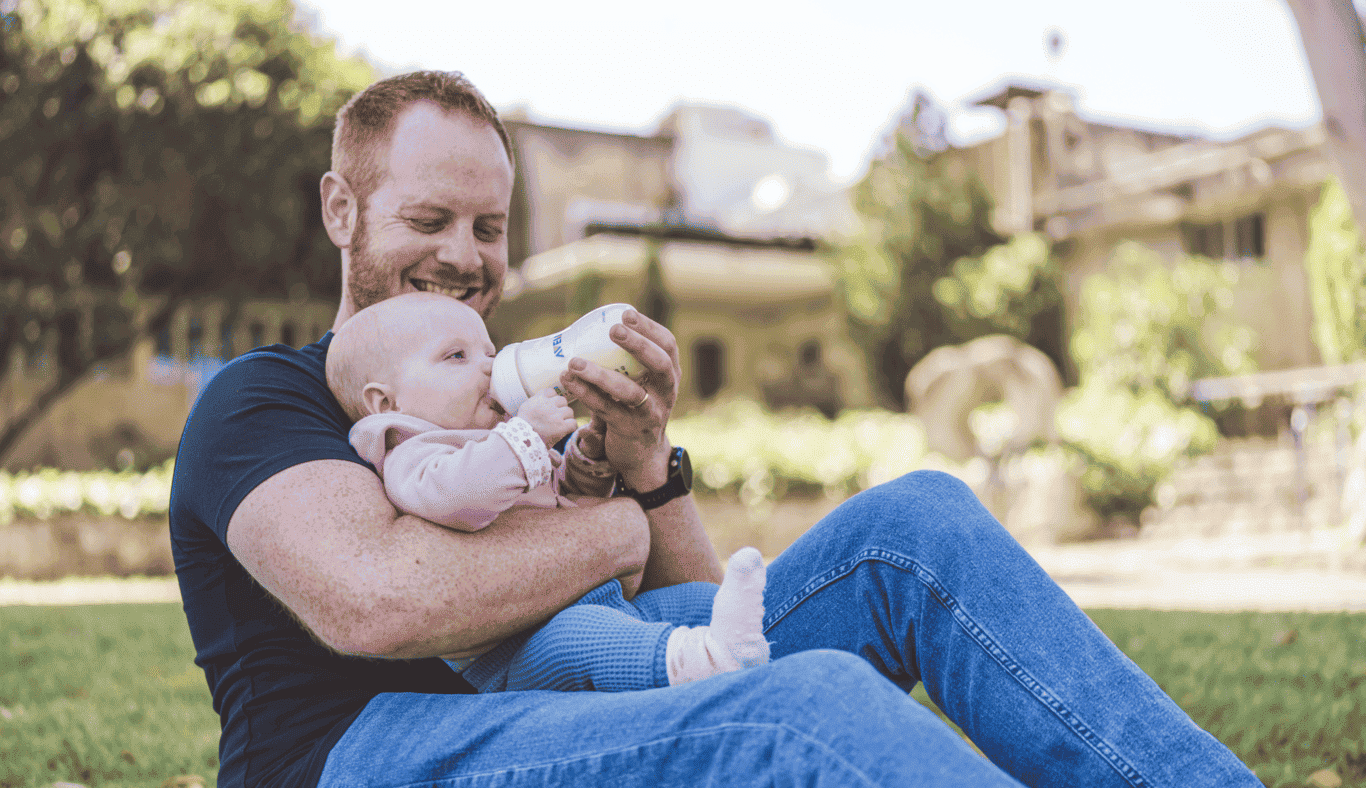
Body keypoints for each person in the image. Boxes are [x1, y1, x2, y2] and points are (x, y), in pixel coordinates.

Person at [169, 70, 1262, 788]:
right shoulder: (263, 398)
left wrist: (647, 470)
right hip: (367, 753)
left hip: (576, 696)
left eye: (489, 226)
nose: (464, 255)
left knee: (917, 526)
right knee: (797, 712)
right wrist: (609, 531)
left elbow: (695, 628)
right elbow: (378, 602)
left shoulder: (516, 392)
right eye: (428, 219)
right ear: (341, 210)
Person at [323, 291, 770, 692]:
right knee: (587, 638)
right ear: (387, 403)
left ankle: (742, 647)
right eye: (456, 356)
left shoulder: (494, 439)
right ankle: (703, 665)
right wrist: (526, 436)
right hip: (519, 650)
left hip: (594, 604)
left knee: (697, 601)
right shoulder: (413, 455)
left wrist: (587, 464)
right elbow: (457, 499)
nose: (489, 366)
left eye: (491, 352)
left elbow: (560, 500)